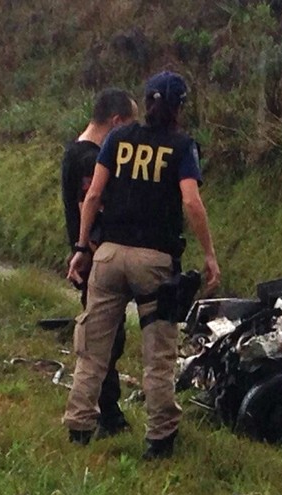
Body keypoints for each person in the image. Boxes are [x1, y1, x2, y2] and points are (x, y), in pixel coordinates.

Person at [62, 71, 221, 460]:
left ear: (146, 103)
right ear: (179, 107)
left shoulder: (117, 139)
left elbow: (94, 194)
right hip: (154, 263)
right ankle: (159, 440)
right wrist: (210, 254)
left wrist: (82, 247)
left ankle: (80, 427)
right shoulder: (182, 147)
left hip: (110, 255)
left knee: (93, 350)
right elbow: (191, 202)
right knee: (158, 354)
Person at [60, 88, 137, 438]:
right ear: (117, 122)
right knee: (103, 341)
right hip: (94, 257)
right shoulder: (92, 160)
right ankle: (106, 416)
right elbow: (87, 207)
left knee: (104, 338)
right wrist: (89, 249)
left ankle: (109, 411)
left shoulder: (73, 151)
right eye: (129, 125)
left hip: (86, 254)